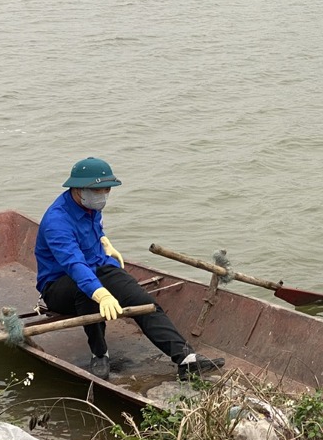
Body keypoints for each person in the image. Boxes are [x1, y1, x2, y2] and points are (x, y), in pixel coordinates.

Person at [34, 157, 225, 381]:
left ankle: (185, 359)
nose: (103, 195)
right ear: (78, 188)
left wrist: (104, 241)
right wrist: (102, 294)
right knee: (85, 292)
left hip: (96, 266)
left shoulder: (90, 206)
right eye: (99, 190)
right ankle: (99, 353)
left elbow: (94, 232)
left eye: (106, 190)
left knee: (141, 300)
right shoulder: (57, 221)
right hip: (59, 285)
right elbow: (74, 264)